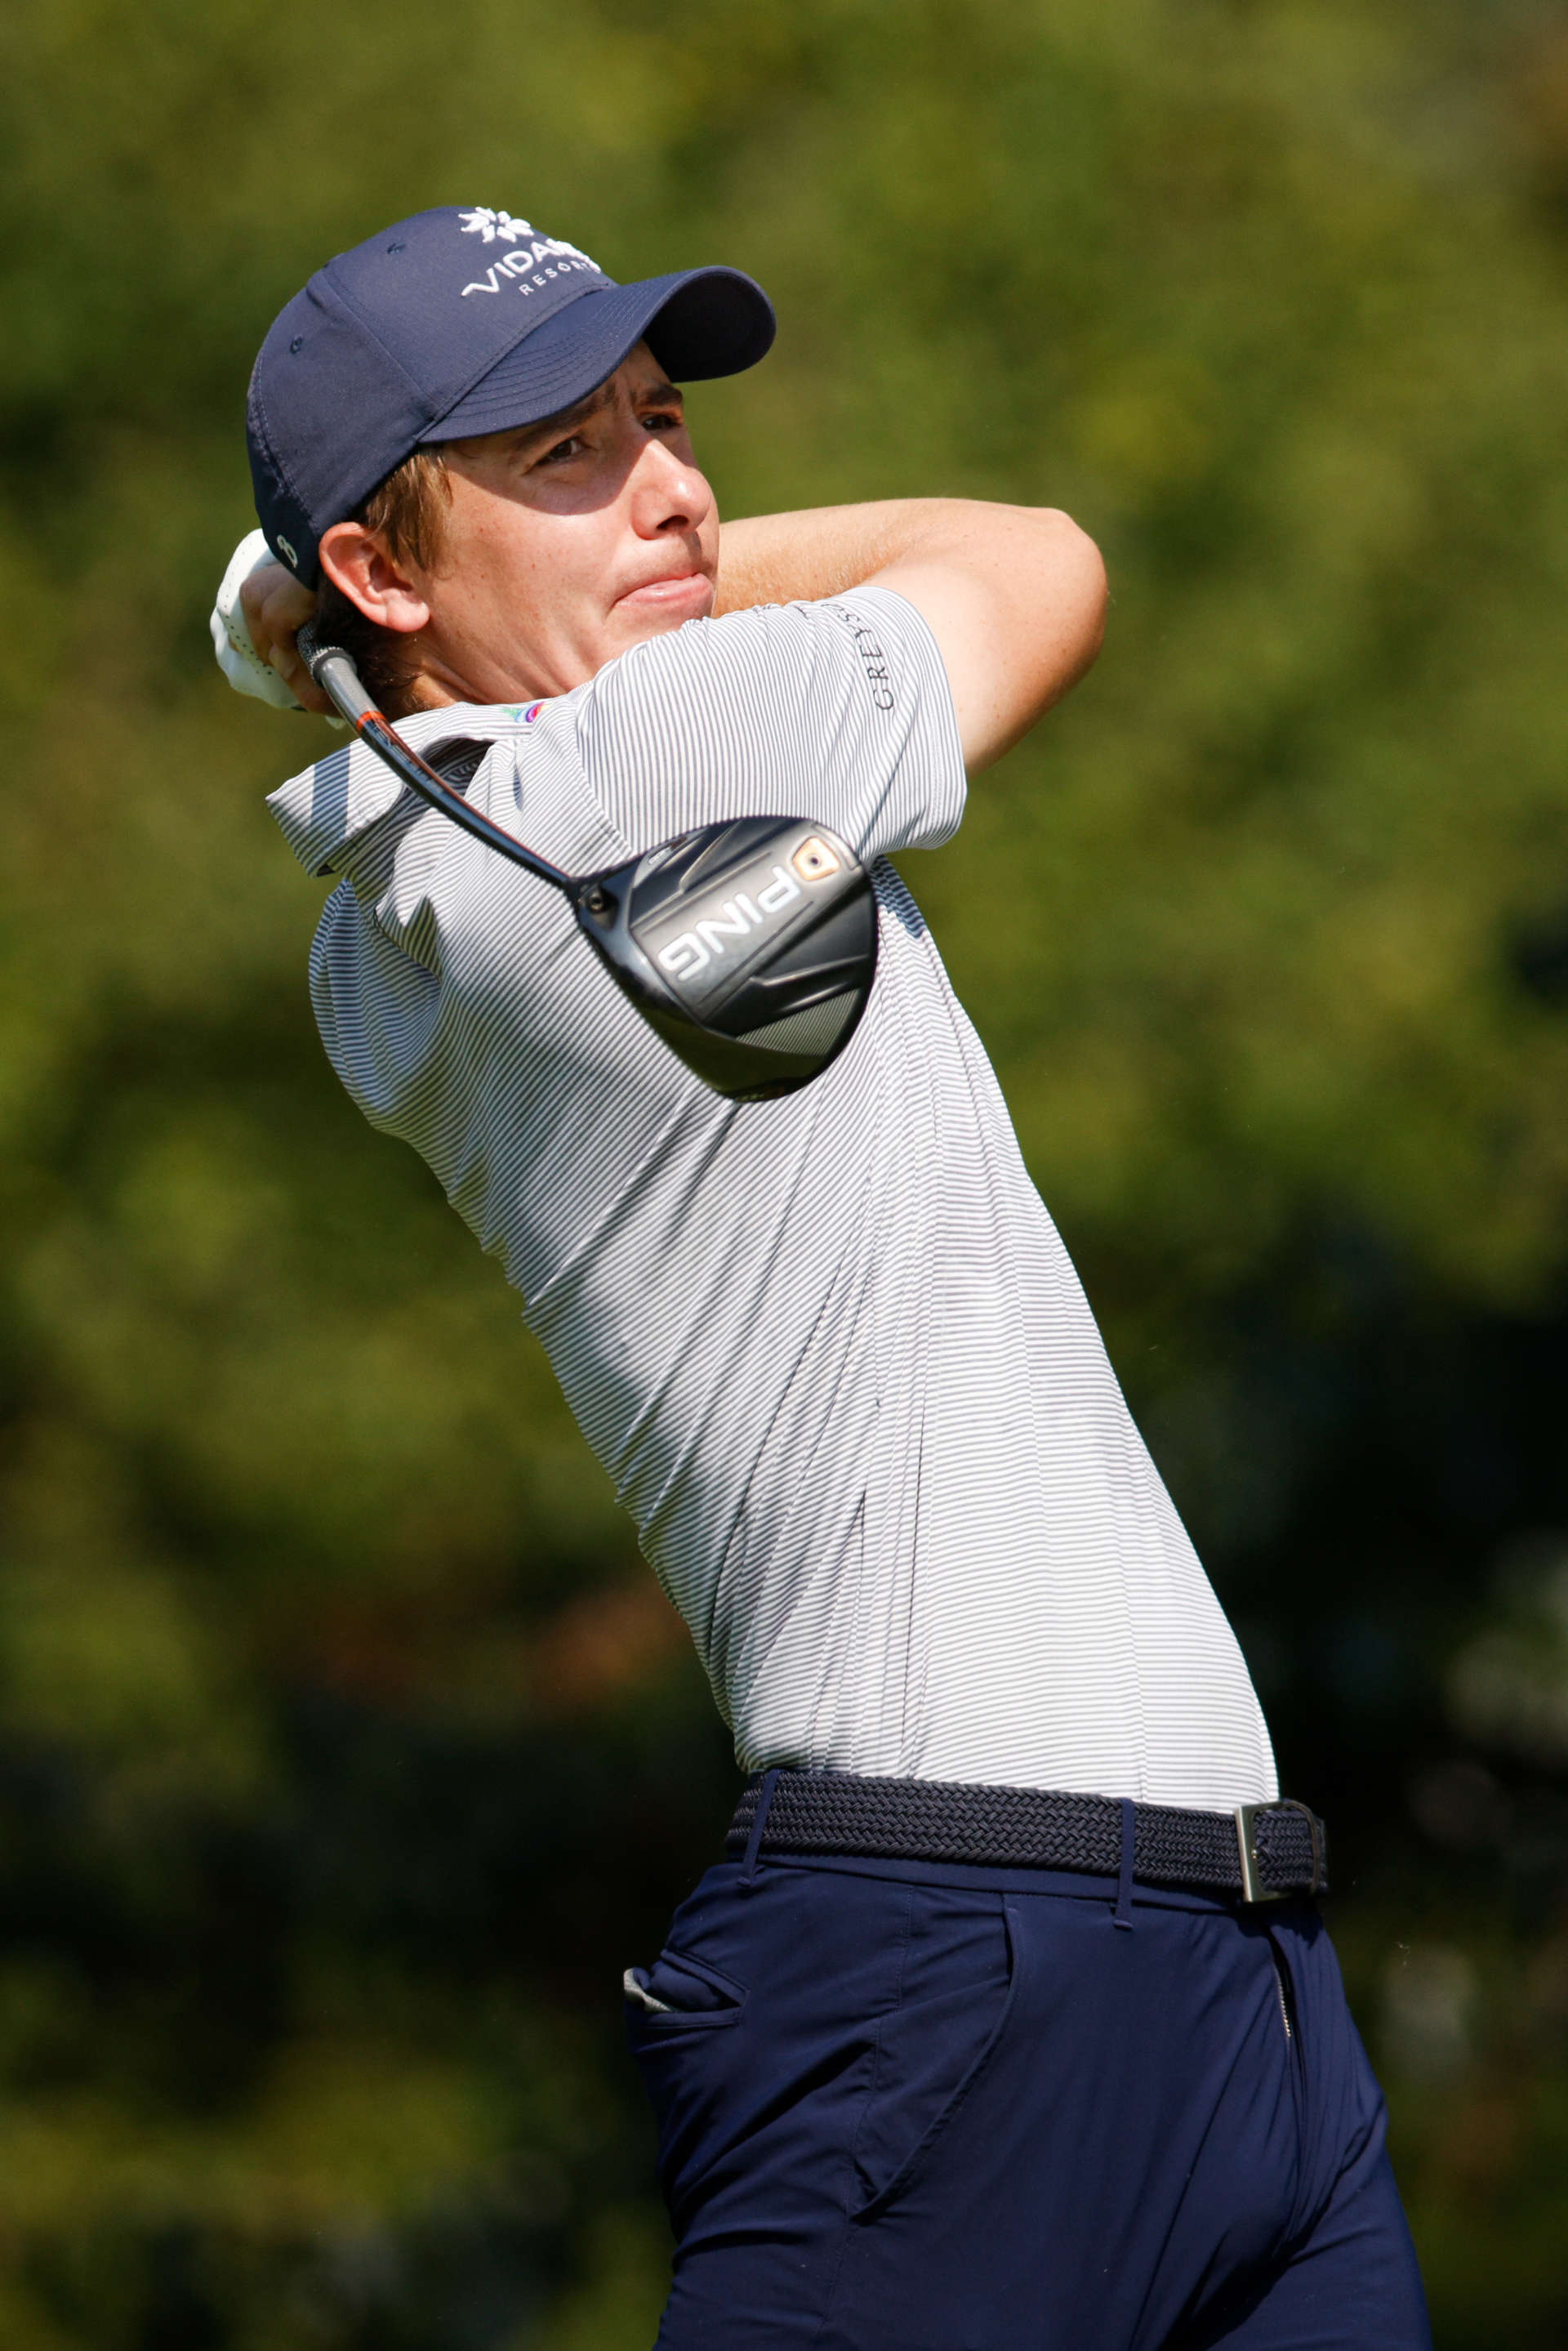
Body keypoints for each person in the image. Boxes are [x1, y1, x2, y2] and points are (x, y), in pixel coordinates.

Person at [213, 204, 1430, 2350]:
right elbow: (1036, 555)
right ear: (383, 577)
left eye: (667, 421)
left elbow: (467, 692)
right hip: (978, 1972)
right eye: (565, 456)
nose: (680, 488)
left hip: (1220, 1985)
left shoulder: (385, 911)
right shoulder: (653, 759)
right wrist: (645, 578)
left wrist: (370, 603)